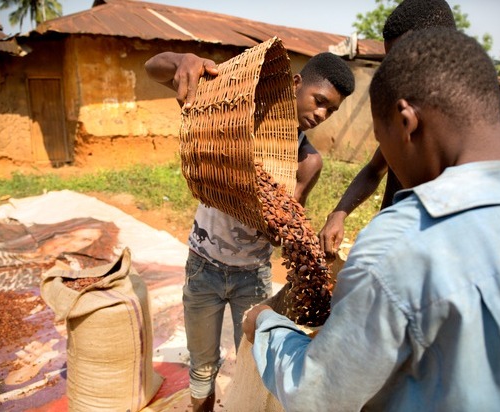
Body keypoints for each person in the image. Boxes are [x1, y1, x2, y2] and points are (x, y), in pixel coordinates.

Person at [242, 28, 500, 411]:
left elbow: (317, 395)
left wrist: (267, 328)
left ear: (406, 122)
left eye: (383, 141)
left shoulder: (399, 248)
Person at [145, 48, 355, 411]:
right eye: (319, 101)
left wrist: (286, 231)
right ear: (295, 84)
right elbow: (153, 68)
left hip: (253, 277)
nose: (321, 114)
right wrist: (182, 61)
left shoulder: (308, 161)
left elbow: (287, 217)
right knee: (202, 365)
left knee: (253, 363)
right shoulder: (239, 118)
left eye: (331, 110)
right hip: (204, 265)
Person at [317, 0, 500, 257]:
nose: (397, 71)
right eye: (391, 62)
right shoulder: (408, 119)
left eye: (406, 58)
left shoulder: (495, 144)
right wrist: (339, 214)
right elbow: (374, 169)